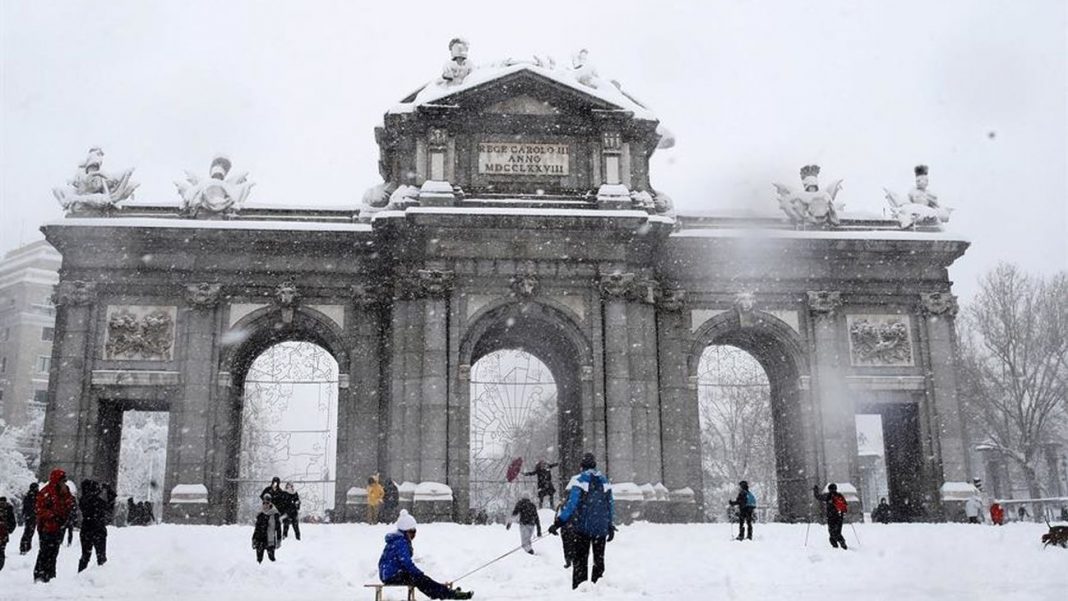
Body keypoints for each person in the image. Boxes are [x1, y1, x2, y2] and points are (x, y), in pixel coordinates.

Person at [549, 453, 615, 589]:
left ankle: (580, 590)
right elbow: (610, 505)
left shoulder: (579, 481)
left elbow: (571, 505)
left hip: (583, 528)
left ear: (581, 467)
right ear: (595, 466)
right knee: (599, 560)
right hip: (601, 529)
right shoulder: (605, 481)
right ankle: (598, 590)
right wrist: (610, 525)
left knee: (580, 561)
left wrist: (558, 523)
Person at [378, 509, 473, 599]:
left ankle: (444, 591)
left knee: (420, 578)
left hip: (389, 574)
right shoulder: (400, 542)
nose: (414, 535)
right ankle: (447, 594)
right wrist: (418, 574)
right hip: (392, 576)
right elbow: (406, 563)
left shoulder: (398, 540)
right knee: (420, 579)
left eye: (415, 531)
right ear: (406, 531)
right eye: (412, 532)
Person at [34, 468, 76, 582]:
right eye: (62, 480)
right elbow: (39, 510)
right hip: (46, 528)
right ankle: (40, 574)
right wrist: (52, 515)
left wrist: (67, 499)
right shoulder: (46, 492)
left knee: (54, 552)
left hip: (58, 527)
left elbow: (69, 504)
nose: (64, 483)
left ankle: (50, 575)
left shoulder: (65, 492)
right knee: (45, 552)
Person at [77, 479, 112, 572]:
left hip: (86, 530)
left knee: (85, 556)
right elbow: (109, 506)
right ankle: (101, 576)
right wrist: (107, 490)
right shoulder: (96, 501)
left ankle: (80, 575)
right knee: (101, 556)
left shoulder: (83, 499)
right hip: (98, 530)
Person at [812, 483, 848, 550]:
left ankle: (835, 547)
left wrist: (815, 490)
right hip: (839, 517)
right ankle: (842, 543)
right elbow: (845, 505)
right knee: (838, 532)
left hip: (831, 517)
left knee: (832, 532)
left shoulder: (828, 496)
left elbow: (818, 496)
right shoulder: (839, 495)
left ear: (829, 489)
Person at [252, 495, 282, 563]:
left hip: (270, 539)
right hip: (260, 539)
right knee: (259, 560)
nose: (265, 505)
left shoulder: (275, 514)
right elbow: (257, 528)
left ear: (270, 503)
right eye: (264, 503)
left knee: (272, 559)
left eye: (267, 503)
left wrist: (279, 539)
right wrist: (254, 539)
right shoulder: (260, 514)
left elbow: (278, 528)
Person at [20, 482, 38, 555]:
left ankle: (26, 546)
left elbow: (25, 507)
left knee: (29, 531)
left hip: (30, 516)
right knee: (29, 532)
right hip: (31, 516)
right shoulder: (32, 496)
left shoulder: (29, 496)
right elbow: (28, 506)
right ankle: (25, 547)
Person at [0, 496, 16, 571]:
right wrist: (9, 530)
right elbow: (13, 522)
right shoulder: (8, 507)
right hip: (3, 534)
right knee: (1, 551)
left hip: (3, 533)